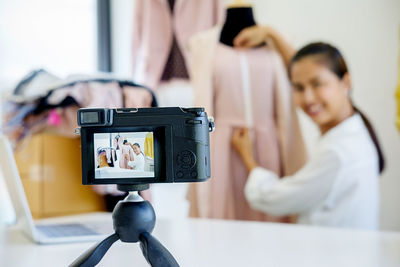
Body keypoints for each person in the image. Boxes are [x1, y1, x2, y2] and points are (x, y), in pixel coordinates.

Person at [231, 31, 385, 229]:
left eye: (317, 84)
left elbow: (274, 199)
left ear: (345, 82)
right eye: (299, 88)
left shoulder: (338, 152)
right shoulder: (355, 129)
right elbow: (306, 70)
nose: (308, 98)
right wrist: (272, 35)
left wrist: (248, 158)